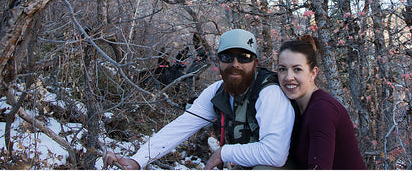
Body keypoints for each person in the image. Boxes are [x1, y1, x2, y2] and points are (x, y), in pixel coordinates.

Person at [104, 29, 295, 170]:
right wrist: (138, 160)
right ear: (218, 62)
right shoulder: (217, 92)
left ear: (255, 63)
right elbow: (181, 127)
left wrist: (223, 152)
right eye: (228, 57)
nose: (235, 64)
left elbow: (275, 155)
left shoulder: (269, 93)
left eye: (244, 57)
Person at [277, 35, 366, 170]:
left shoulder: (321, 109)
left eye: (297, 69)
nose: (289, 77)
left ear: (313, 73)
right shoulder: (294, 108)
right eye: (282, 69)